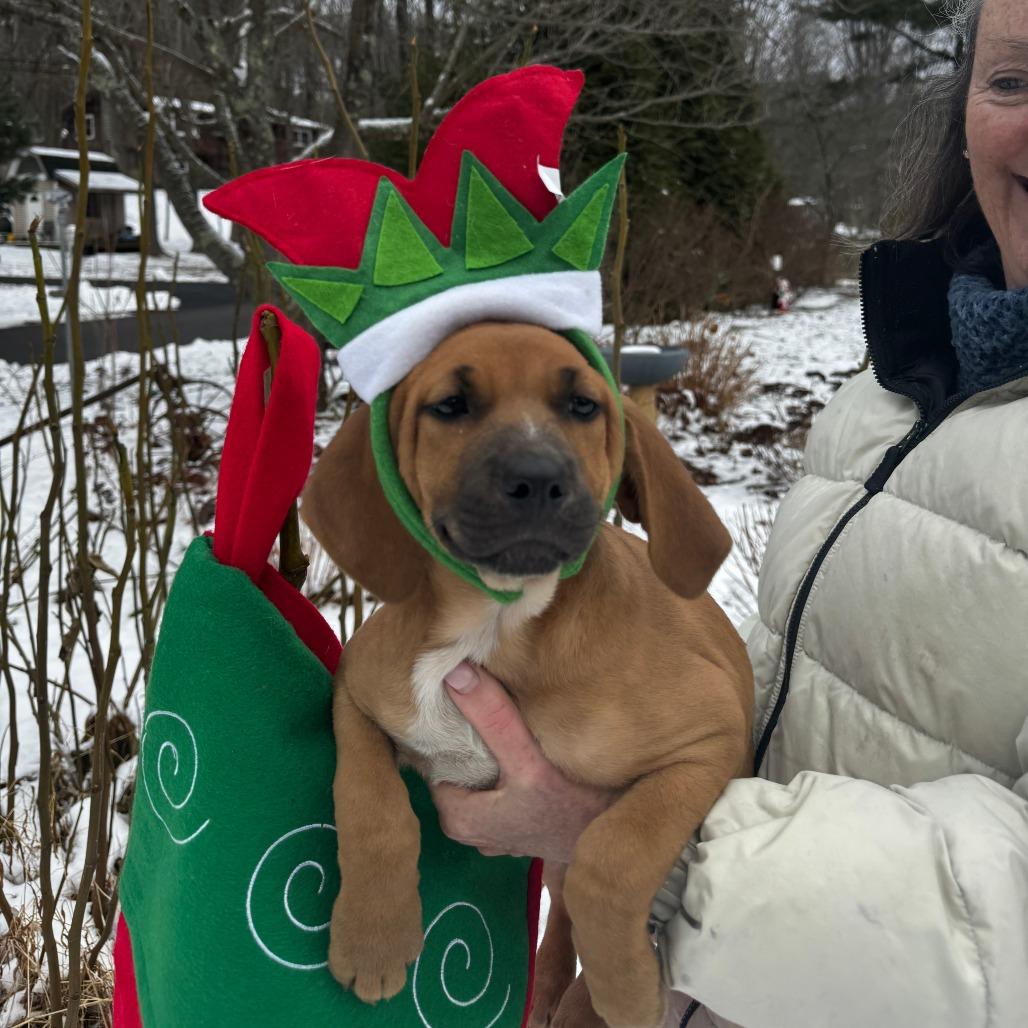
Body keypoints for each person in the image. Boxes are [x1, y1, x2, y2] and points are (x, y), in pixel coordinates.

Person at [429, 0, 1028, 1024]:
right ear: (961, 111)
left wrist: (641, 844)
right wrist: (601, 700)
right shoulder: (899, 380)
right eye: (1012, 80)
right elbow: (811, 690)